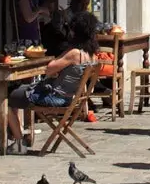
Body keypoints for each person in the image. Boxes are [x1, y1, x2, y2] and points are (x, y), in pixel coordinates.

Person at [6, 11, 99, 147]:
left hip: (55, 97)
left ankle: (19, 142)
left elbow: (50, 68)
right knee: (20, 93)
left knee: (7, 99)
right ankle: (20, 134)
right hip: (69, 97)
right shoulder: (91, 55)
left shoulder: (74, 53)